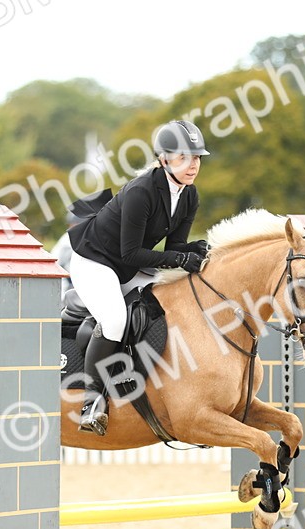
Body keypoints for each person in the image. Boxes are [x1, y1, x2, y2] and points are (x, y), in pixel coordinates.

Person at [67, 119, 211, 435]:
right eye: (185, 157)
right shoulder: (141, 191)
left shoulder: (189, 195)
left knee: (164, 306)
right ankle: (92, 403)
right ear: (164, 159)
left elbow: (174, 248)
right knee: (116, 319)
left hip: (128, 265)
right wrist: (179, 258)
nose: (193, 165)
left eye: (197, 157)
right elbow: (133, 253)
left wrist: (196, 249)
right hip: (95, 261)